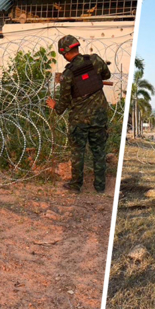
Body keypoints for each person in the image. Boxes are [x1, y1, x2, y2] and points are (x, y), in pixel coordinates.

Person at [46, 35, 111, 193]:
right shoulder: (95, 60)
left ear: (65, 53)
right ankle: (100, 186)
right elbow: (106, 75)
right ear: (77, 47)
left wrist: (54, 105)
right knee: (99, 151)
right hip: (99, 117)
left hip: (79, 120)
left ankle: (76, 186)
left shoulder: (67, 75)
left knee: (77, 153)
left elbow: (63, 104)